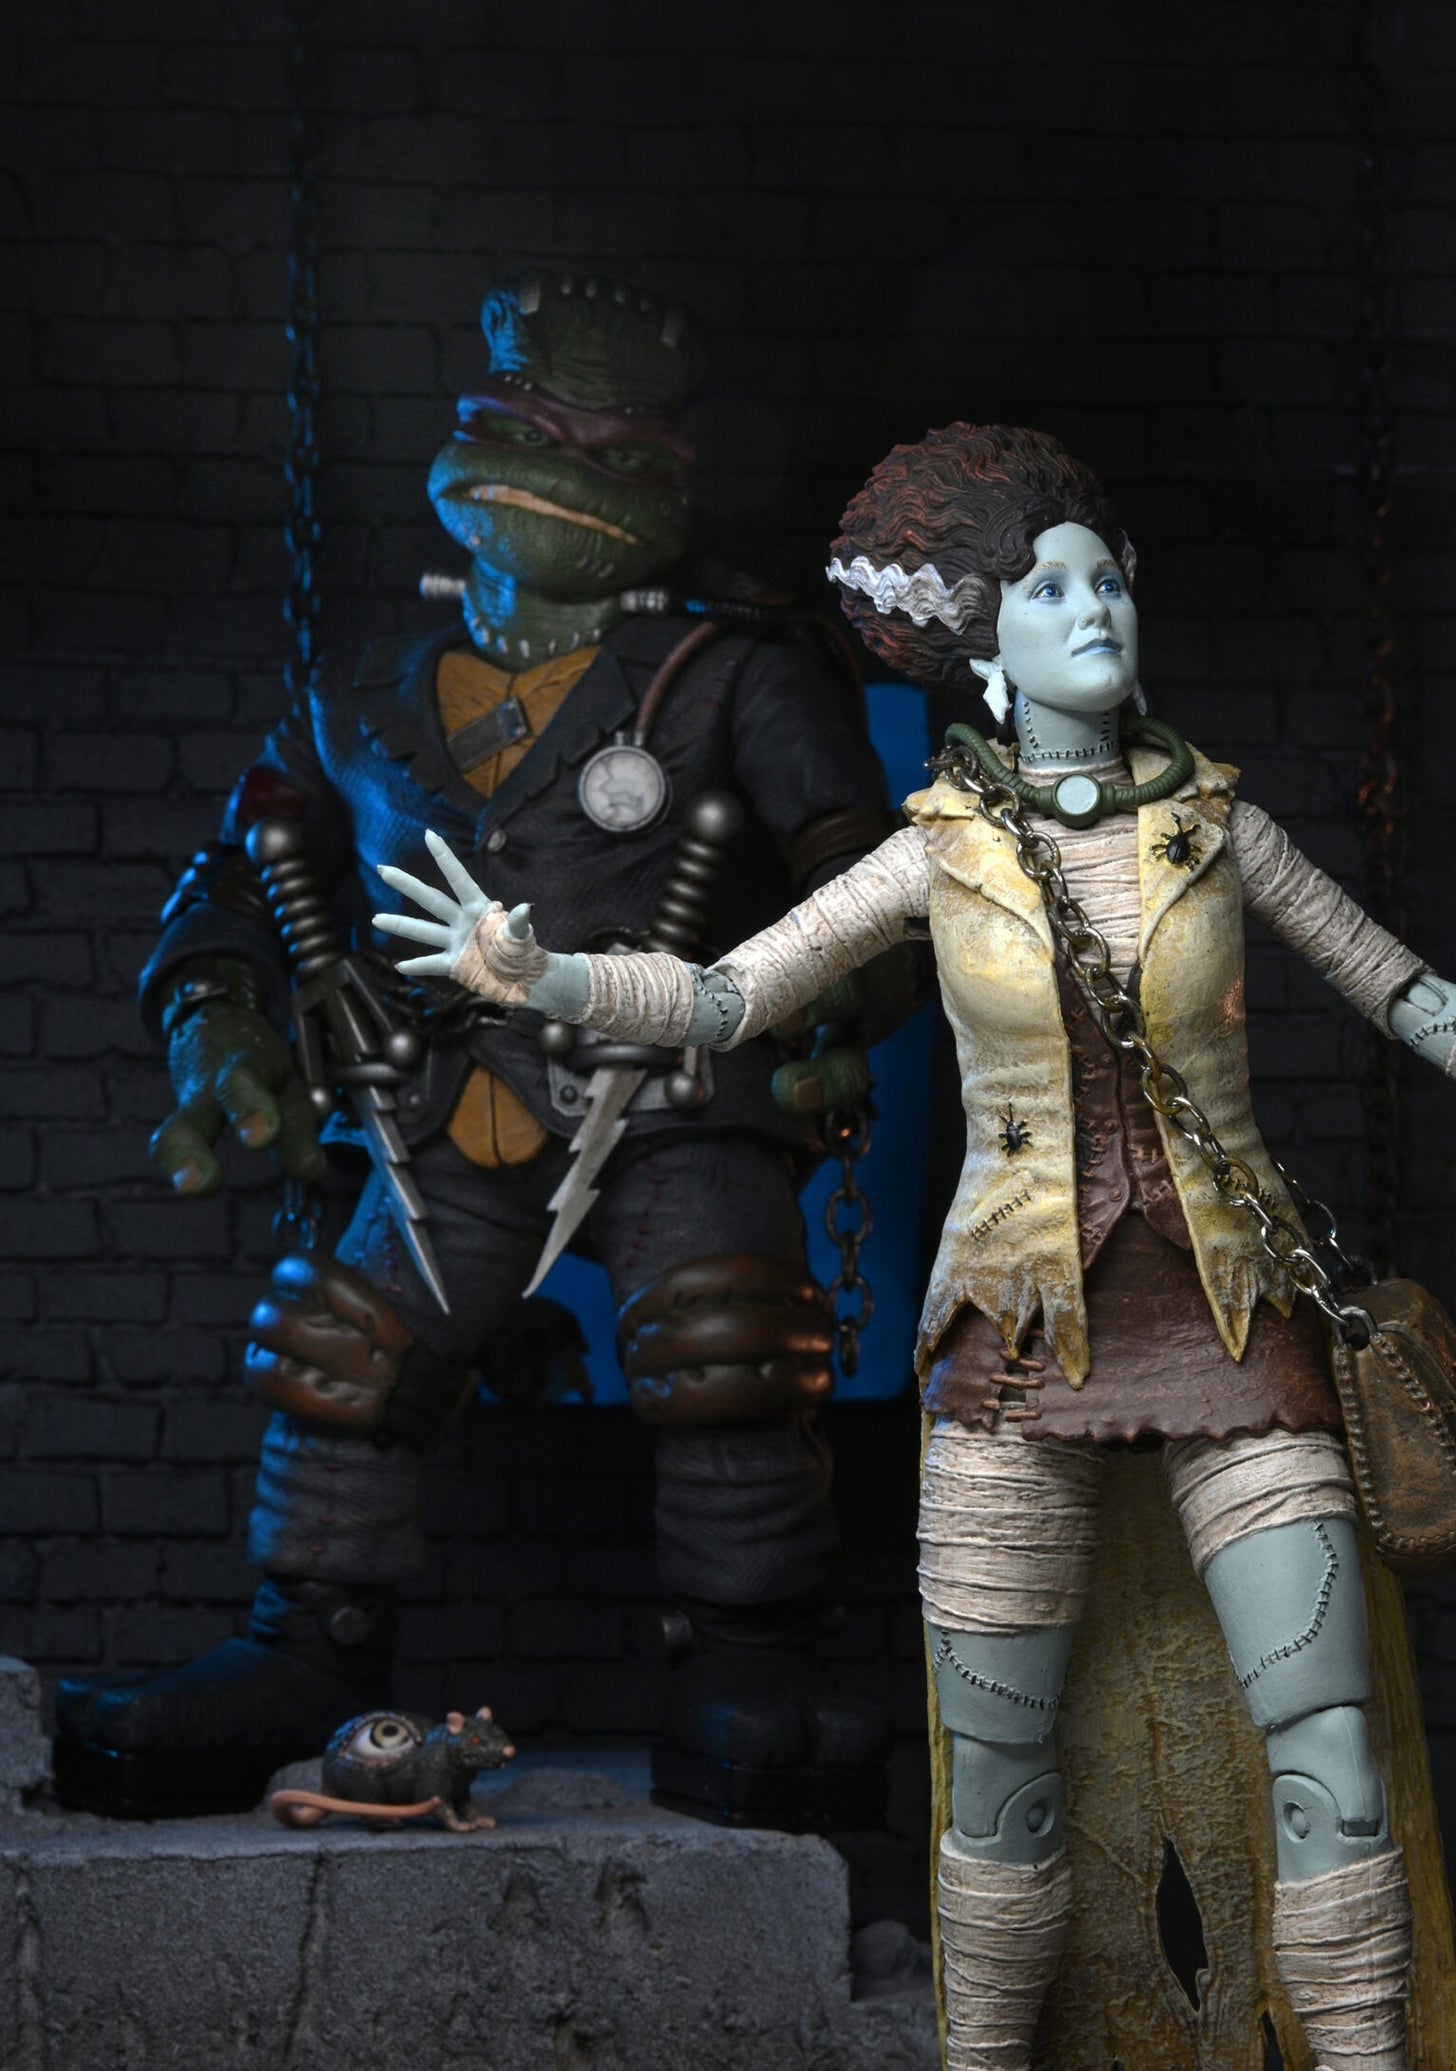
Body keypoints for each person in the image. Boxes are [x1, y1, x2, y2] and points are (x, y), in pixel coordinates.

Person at [374, 423, 1456, 2071]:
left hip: (1236, 1330)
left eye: (1105, 575)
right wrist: (536, 976)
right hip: (1011, 1338)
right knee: (999, 1772)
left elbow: (1407, 994)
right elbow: (722, 999)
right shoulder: (933, 847)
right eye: (1045, 585)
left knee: (1326, 1741)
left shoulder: (1216, 822)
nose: (1091, 605)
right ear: (977, 637)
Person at [55, 271, 922, 1830]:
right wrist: (219, 1026)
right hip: (443, 1101)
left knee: (724, 1344)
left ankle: (747, 1658)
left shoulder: (737, 672)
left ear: (666, 475)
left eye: (610, 446)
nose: (565, 468)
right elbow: (237, 877)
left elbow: (866, 879)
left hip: (674, 1088)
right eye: (531, 431)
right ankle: (307, 1647)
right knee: (346, 1353)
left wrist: (836, 1011)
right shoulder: (359, 697)